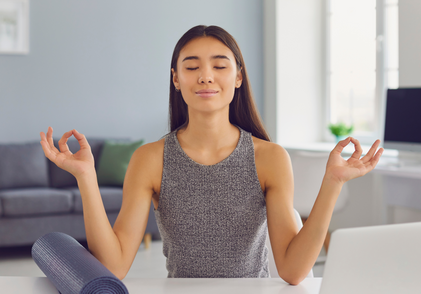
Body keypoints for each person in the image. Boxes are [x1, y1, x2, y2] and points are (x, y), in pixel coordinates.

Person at [40, 25, 383, 285]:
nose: (206, 76)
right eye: (191, 67)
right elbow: (113, 266)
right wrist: (86, 177)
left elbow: (293, 272)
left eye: (220, 66)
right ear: (176, 79)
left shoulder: (270, 158)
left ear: (237, 77)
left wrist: (333, 181)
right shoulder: (150, 158)